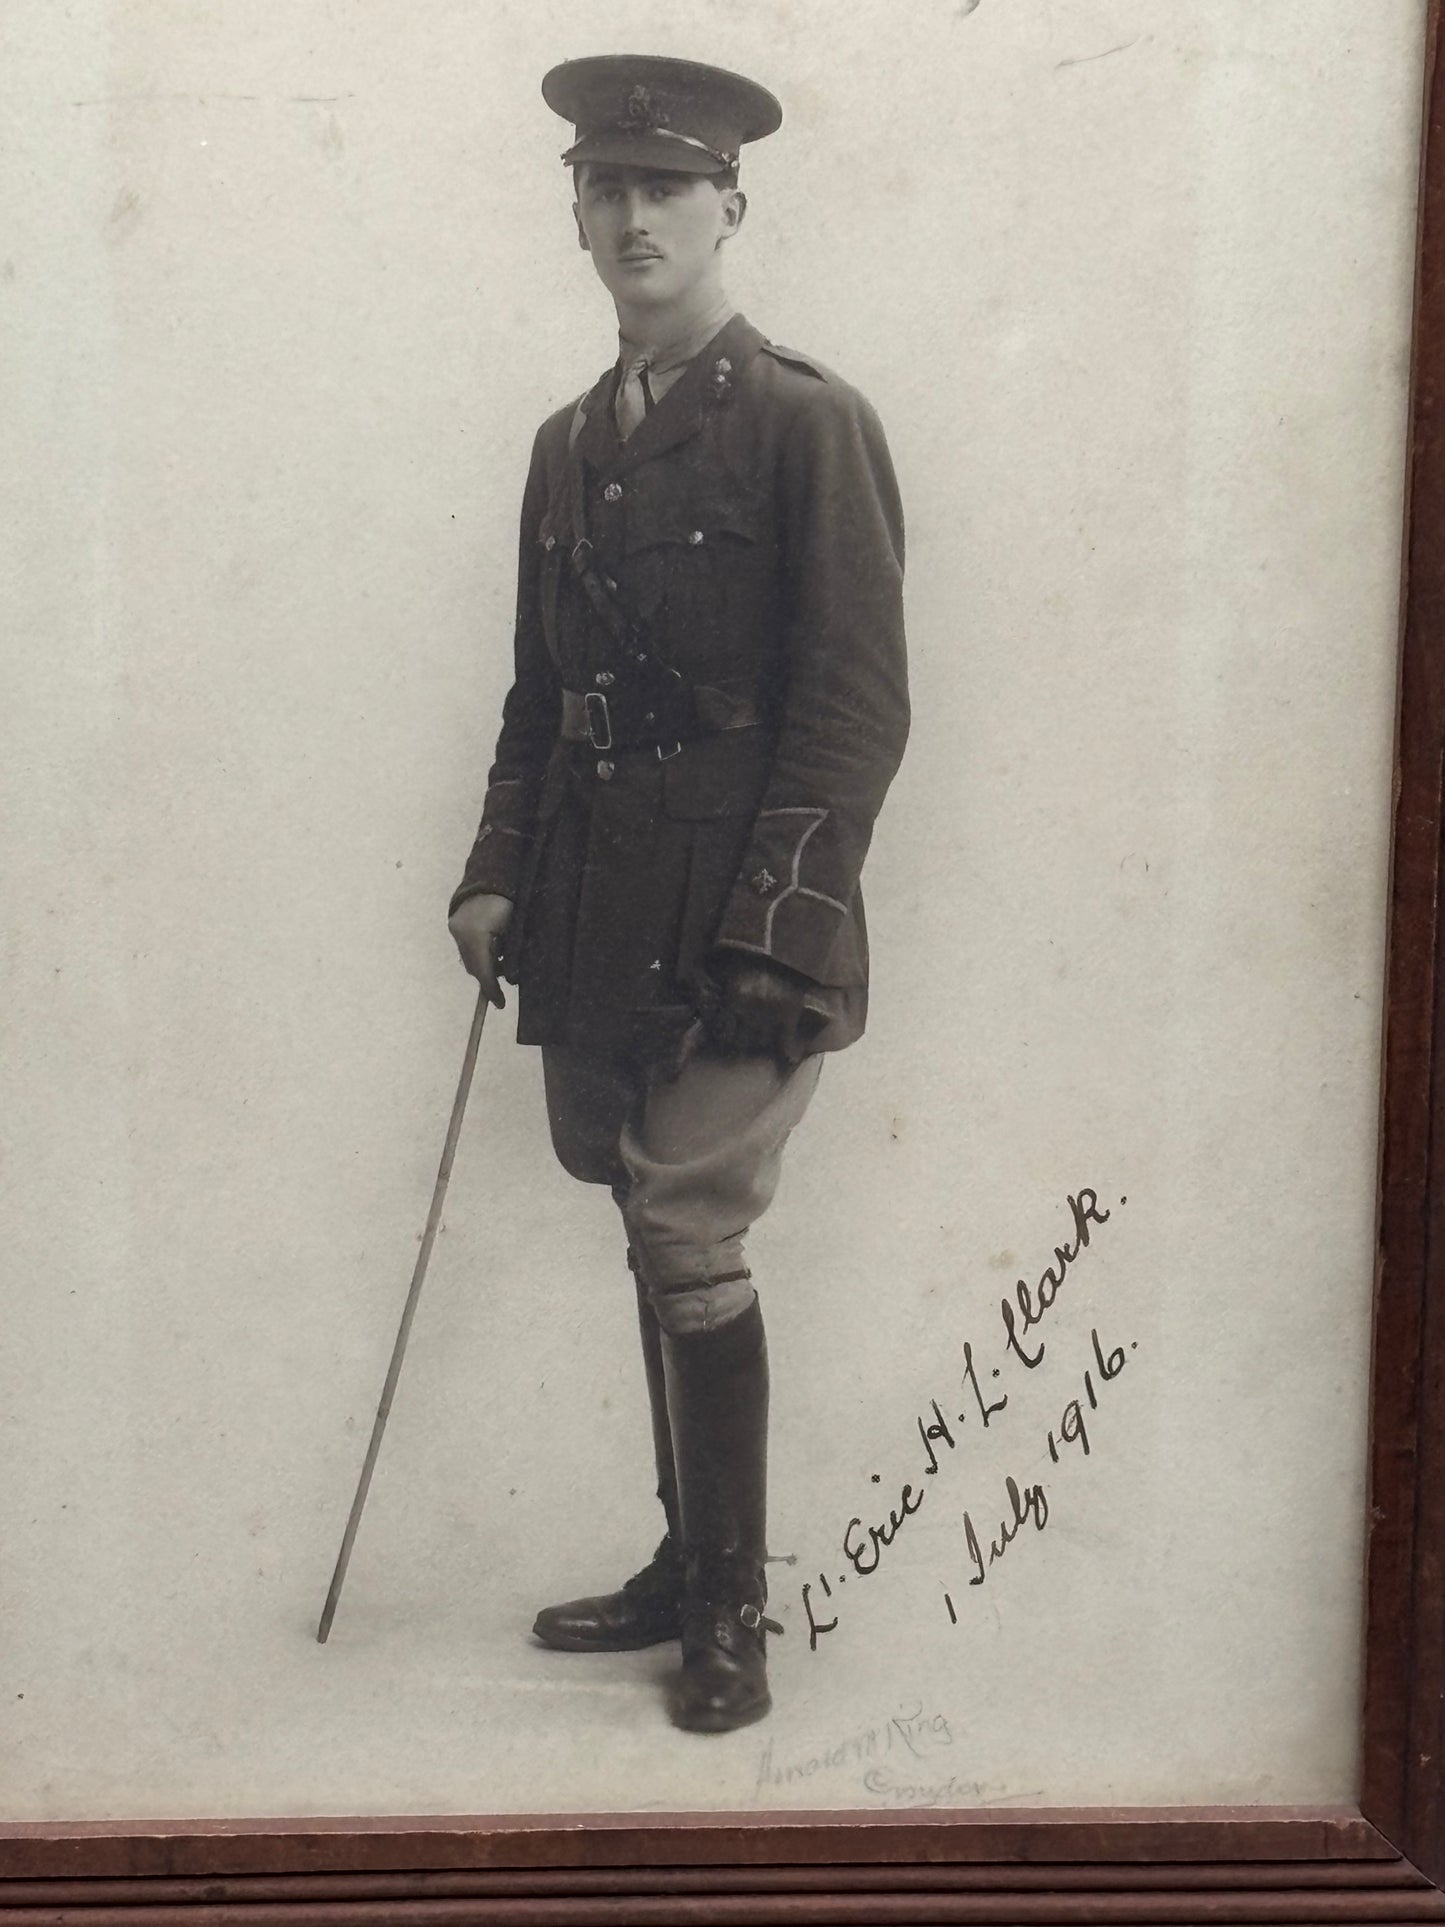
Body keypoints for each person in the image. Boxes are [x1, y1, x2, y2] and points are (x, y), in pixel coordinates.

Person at [448, 53, 908, 1734]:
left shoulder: (804, 420)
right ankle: (679, 1558)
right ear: (574, 212)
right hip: (595, 897)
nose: (634, 216)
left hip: (738, 913)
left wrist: (775, 932)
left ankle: (730, 1616)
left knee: (686, 1227)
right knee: (637, 1222)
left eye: (667, 187)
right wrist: (493, 874)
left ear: (731, 205)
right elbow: (538, 692)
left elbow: (853, 709)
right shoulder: (567, 445)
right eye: (605, 188)